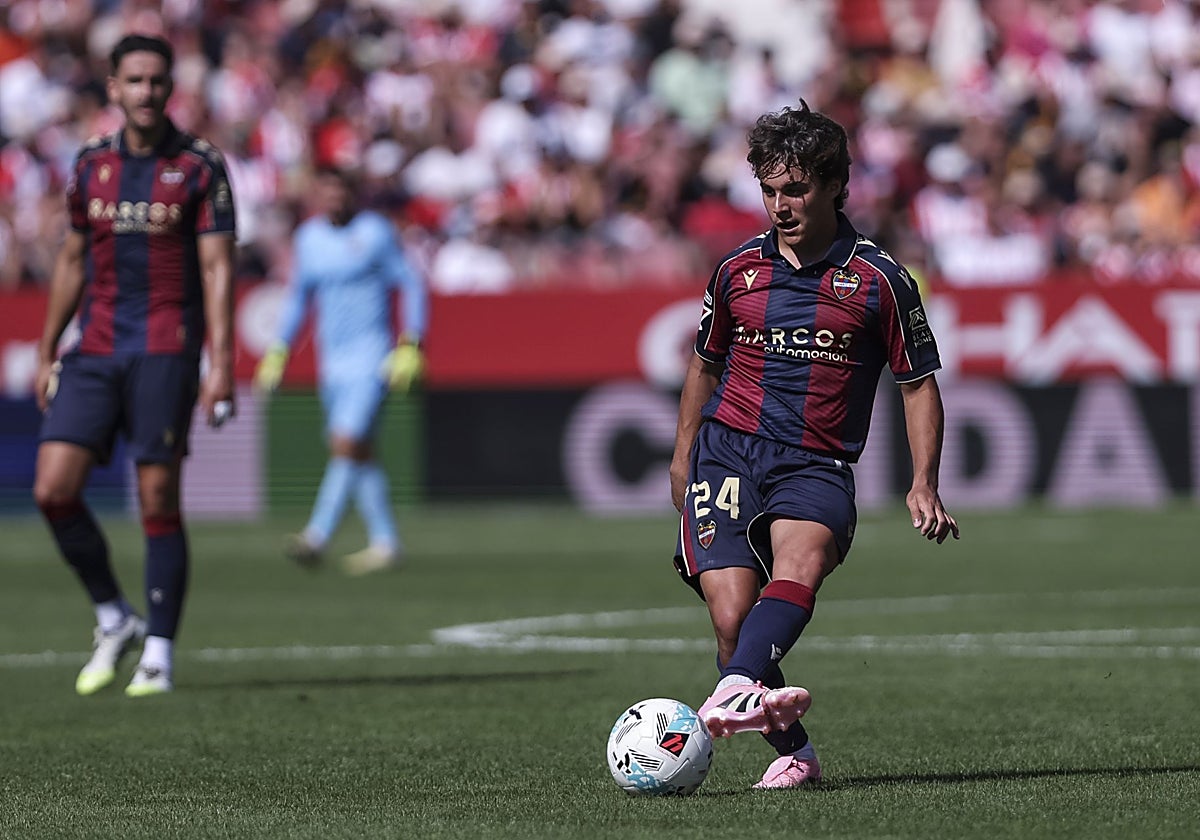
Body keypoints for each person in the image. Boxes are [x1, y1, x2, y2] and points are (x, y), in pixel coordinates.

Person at [669, 100, 960, 790]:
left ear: (834, 185)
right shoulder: (736, 271)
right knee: (733, 619)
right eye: (768, 189)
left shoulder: (880, 280)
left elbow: (918, 384)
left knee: (801, 560)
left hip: (817, 463)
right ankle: (792, 750)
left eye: (794, 188)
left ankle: (732, 691)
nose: (779, 204)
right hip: (729, 452)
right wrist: (682, 454)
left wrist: (925, 480)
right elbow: (704, 364)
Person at [32, 33, 237, 698]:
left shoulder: (201, 166)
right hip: (92, 347)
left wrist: (222, 363)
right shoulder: (91, 165)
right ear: (113, 88)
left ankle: (159, 650)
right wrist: (45, 348)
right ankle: (113, 615)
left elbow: (218, 268)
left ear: (170, 87)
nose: (147, 92)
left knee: (157, 499)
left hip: (164, 348)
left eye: (158, 80)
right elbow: (70, 260)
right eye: (135, 81)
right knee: (52, 490)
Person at [254, 166, 427, 576]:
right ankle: (386, 542)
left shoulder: (376, 233)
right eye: (326, 191)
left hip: (373, 355)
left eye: (340, 191)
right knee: (359, 452)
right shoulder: (310, 239)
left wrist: (411, 342)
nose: (334, 199)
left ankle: (318, 535)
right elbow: (300, 296)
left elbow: (411, 283)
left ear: (353, 194)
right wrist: (280, 349)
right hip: (333, 361)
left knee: (346, 443)